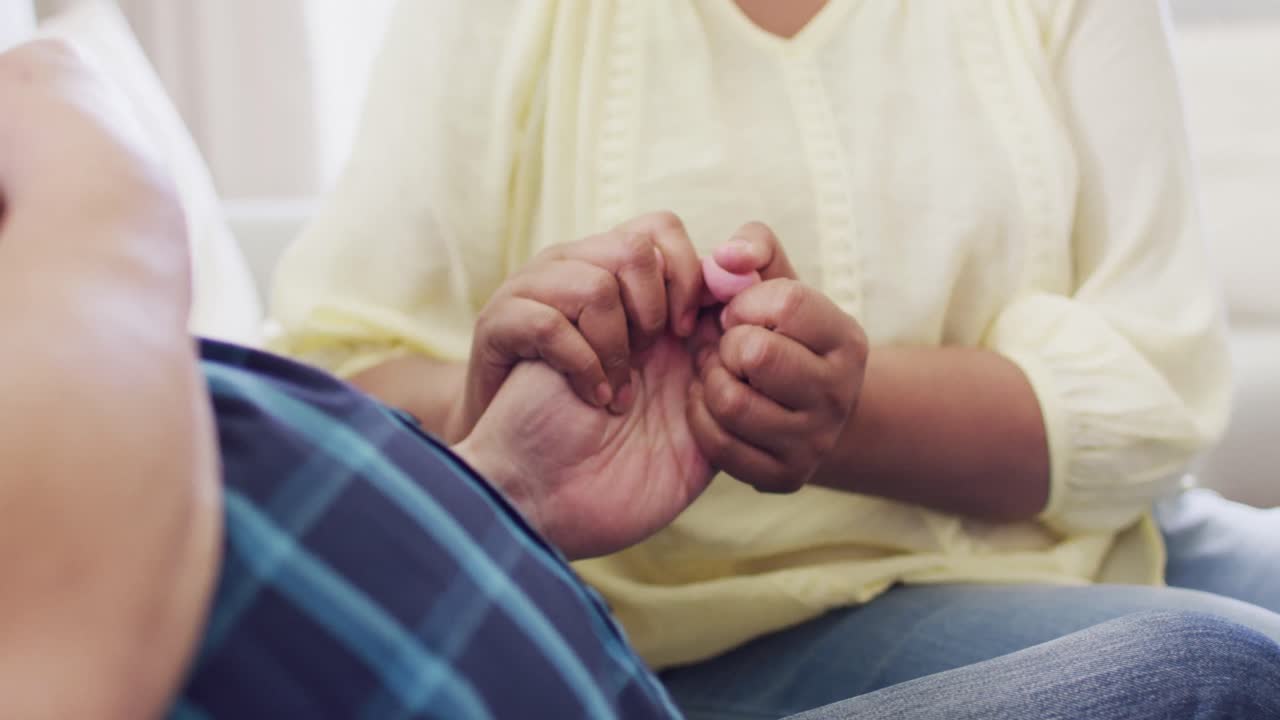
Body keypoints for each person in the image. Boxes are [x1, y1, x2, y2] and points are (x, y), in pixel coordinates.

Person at [3, 38, 1280, 720]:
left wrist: (849, 415)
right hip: (711, 625)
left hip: (1091, 528)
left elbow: (1156, 386)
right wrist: (486, 402)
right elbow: (342, 369)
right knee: (1219, 668)